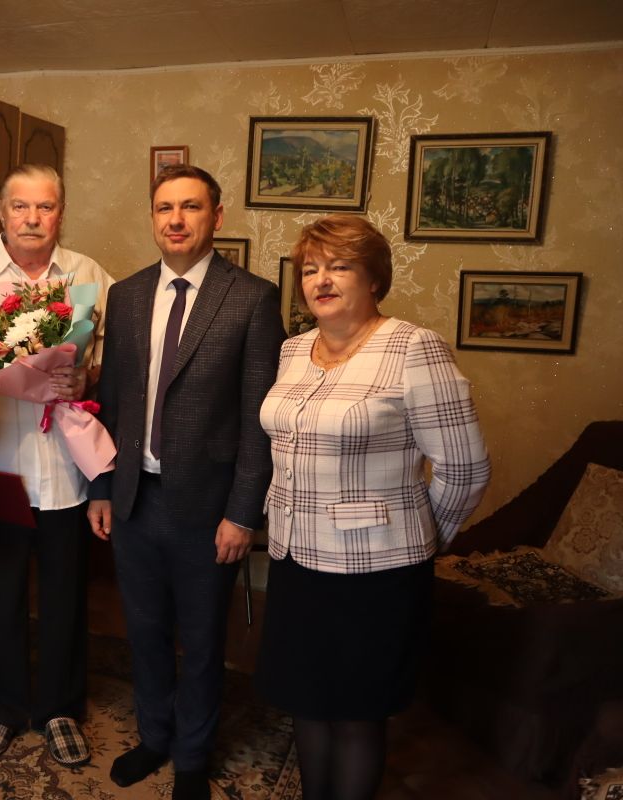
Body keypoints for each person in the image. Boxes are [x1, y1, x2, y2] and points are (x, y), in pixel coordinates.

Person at [255, 214, 491, 800]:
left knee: (357, 712)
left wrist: (421, 536)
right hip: (294, 558)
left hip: (376, 572)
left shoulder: (412, 347)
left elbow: (465, 468)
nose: (321, 279)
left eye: (339, 266)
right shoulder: (293, 350)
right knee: (307, 701)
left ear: (374, 278)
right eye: (310, 269)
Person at [88, 164, 285, 800]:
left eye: (191, 207)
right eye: (164, 208)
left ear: (216, 217)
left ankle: (194, 757)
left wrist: (243, 512)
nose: (176, 220)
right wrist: (101, 488)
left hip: (208, 509)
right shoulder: (127, 295)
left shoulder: (251, 298)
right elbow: (112, 402)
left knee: (201, 641)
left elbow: (260, 419)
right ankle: (155, 737)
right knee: (144, 632)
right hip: (134, 499)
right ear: (153, 218)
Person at [0, 163, 113, 767]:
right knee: (1, 595)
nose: (33, 219)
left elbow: (117, 364)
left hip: (67, 468)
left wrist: (87, 376)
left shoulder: (89, 277)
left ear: (61, 212)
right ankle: (3, 706)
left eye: (46, 207)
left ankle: (60, 708)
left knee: (65, 597)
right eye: (21, 207)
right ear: (2, 212)